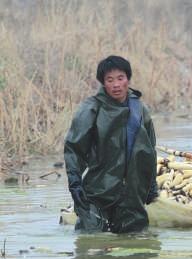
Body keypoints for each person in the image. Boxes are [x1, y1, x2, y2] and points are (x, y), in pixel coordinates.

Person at [64, 55, 158, 233]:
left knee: (138, 249)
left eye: (120, 78)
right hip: (98, 193)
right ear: (103, 83)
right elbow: (74, 149)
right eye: (110, 80)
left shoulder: (139, 110)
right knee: (90, 243)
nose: (116, 85)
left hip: (132, 197)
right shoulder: (91, 109)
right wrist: (75, 185)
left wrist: (151, 186)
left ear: (128, 80)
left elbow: (149, 150)